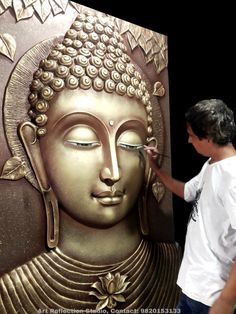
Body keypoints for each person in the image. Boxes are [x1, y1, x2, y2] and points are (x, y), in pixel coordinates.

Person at [0, 9, 180, 312]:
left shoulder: (175, 268)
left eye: (130, 144)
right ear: (34, 150)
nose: (112, 171)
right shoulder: (11, 292)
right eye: (83, 140)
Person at [146, 98, 236, 314]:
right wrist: (155, 168)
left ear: (209, 138)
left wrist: (225, 301)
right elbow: (187, 191)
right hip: (193, 288)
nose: (188, 141)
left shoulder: (232, 178)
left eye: (192, 136)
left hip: (212, 298)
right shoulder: (212, 164)